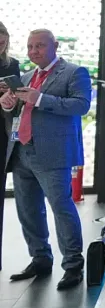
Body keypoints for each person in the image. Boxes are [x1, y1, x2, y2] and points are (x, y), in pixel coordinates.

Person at [1, 29, 89, 290]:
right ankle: (40, 258)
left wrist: (40, 98)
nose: (33, 51)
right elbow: (16, 112)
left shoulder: (74, 73)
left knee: (61, 208)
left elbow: (81, 106)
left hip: (53, 154)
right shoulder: (25, 77)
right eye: (29, 46)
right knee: (27, 210)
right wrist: (7, 103)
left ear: (55, 46)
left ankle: (73, 265)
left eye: (39, 45)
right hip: (21, 152)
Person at [0, 21, 22, 272]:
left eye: (3, 39)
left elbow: (17, 101)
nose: (1, 44)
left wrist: (9, 94)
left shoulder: (12, 64)